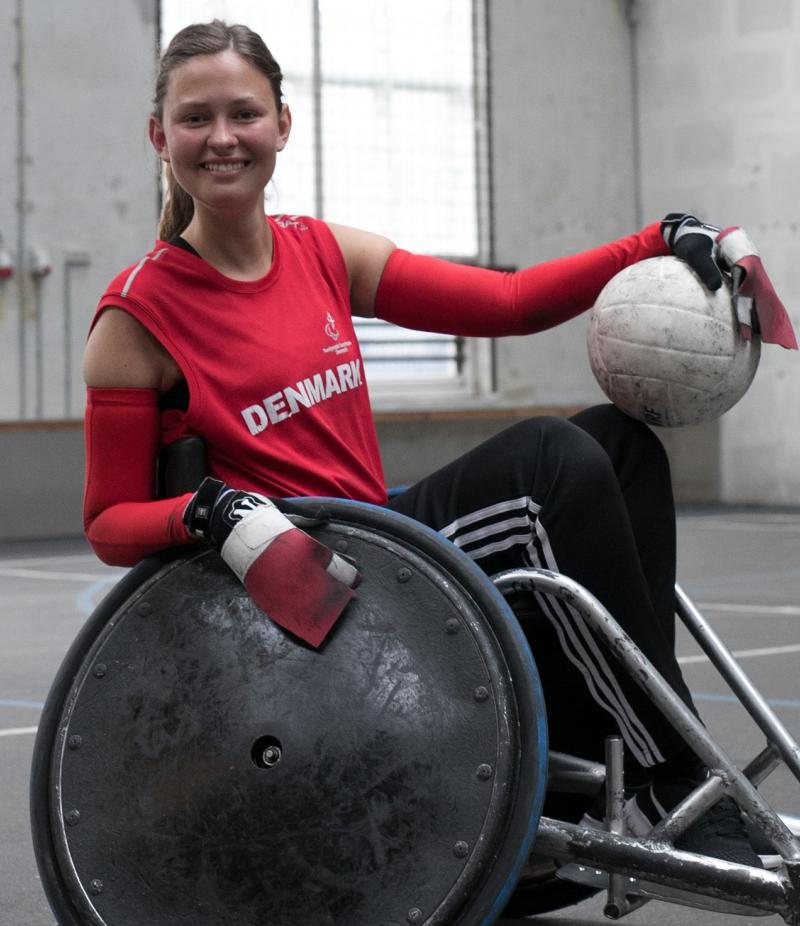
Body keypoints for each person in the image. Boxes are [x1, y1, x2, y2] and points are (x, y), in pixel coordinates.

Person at [82, 20, 794, 867]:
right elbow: (108, 520)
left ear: (283, 123)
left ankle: (629, 746)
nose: (223, 138)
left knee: (621, 444)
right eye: (196, 119)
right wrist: (209, 509)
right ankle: (668, 774)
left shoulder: (321, 251)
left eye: (245, 113)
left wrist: (653, 240)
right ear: (160, 136)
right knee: (548, 465)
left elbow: (507, 303)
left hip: (387, 537)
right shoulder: (136, 317)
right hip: (319, 581)